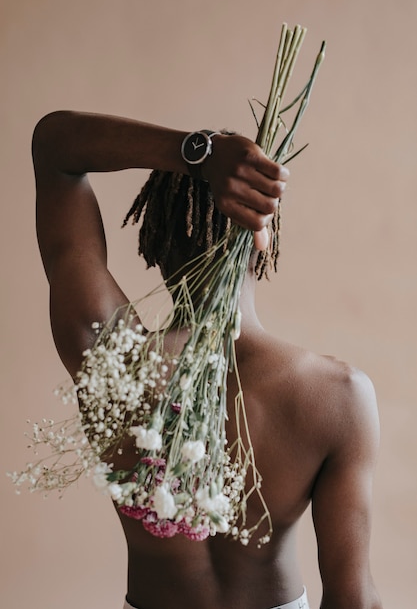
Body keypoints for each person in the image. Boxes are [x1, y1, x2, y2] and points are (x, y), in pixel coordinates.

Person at [32, 110, 383, 609]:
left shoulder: (111, 356)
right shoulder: (340, 394)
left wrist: (196, 154)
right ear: (264, 234)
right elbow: (354, 600)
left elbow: (54, 147)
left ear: (153, 237)